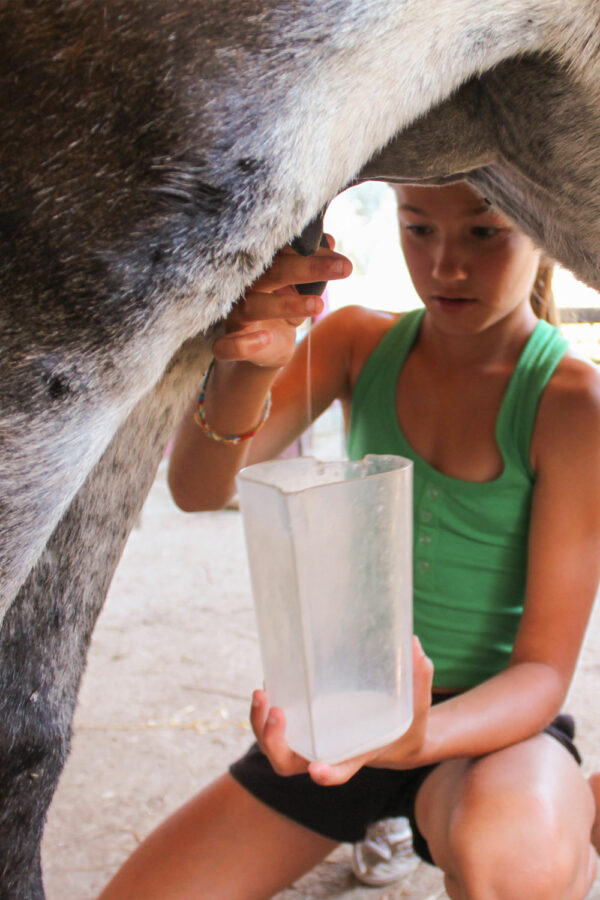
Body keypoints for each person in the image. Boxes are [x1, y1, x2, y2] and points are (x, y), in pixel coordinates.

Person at [99, 181, 600, 900]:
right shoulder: (359, 342)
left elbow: (543, 676)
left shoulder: (571, 401)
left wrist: (417, 739)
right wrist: (254, 365)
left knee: (519, 865)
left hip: (485, 737)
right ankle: (399, 817)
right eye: (418, 227)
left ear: (546, 229)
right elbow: (199, 489)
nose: (445, 265)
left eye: (483, 234)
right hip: (341, 716)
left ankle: (561, 816)